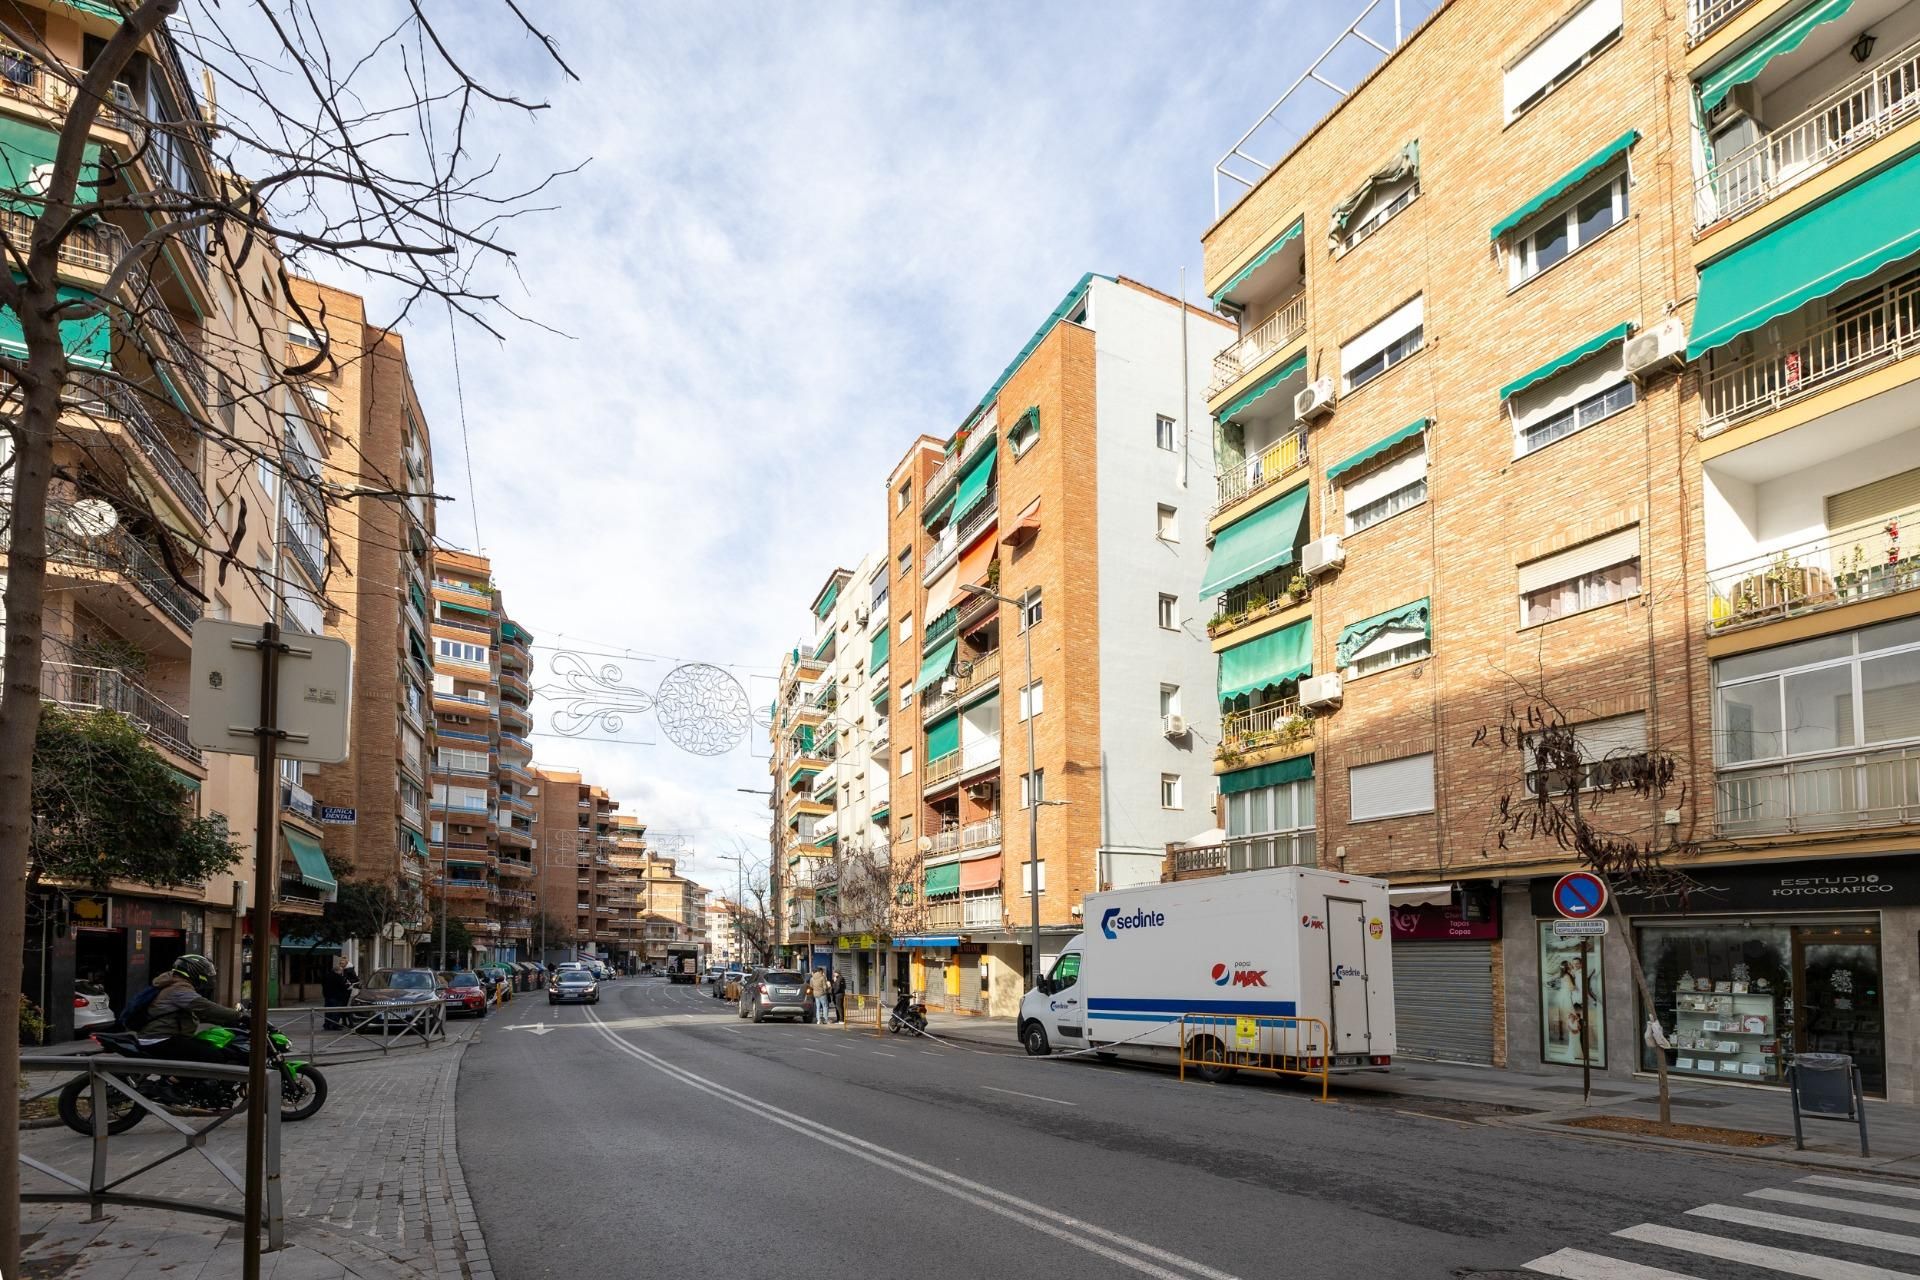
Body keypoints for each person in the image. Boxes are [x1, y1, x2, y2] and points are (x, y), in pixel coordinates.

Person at [141, 955, 247, 1065]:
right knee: (212, 1056)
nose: (209, 975)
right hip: (159, 1038)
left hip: (169, 1036)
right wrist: (240, 1016)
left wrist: (223, 1021)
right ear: (194, 971)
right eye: (206, 971)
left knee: (220, 1049)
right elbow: (206, 1007)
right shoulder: (178, 989)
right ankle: (174, 1081)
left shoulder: (177, 984)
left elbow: (198, 1014)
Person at [320, 958, 351, 1028]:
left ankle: (327, 1024)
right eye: (341, 971)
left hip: (327, 996)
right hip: (337, 997)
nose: (341, 973)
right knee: (336, 1011)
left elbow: (323, 984)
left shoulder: (326, 976)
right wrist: (348, 986)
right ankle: (334, 1025)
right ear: (338, 971)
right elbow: (343, 986)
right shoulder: (338, 977)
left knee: (328, 1011)